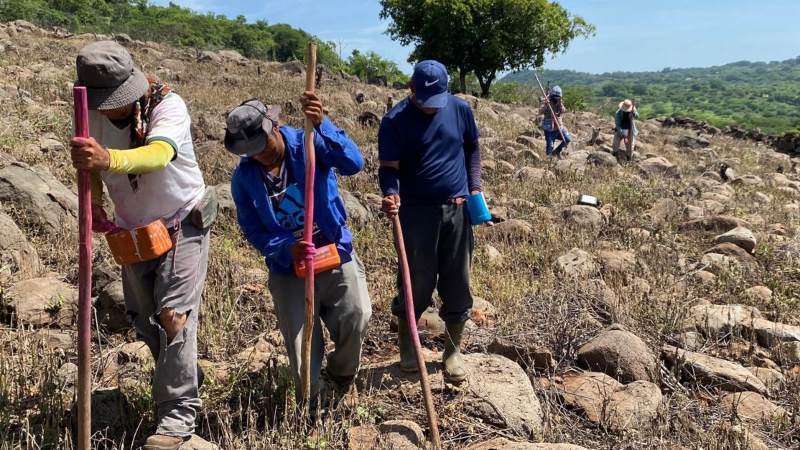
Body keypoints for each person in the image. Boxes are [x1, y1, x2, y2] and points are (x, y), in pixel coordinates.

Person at [70, 41, 211, 450]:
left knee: (173, 317)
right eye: (104, 102)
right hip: (134, 231)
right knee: (145, 321)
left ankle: (177, 417)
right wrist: (96, 201)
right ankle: (182, 373)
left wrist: (108, 160)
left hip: (183, 219)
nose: (110, 109)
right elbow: (89, 166)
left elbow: (159, 154)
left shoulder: (167, 106)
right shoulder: (87, 114)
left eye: (116, 100)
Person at [226, 97, 371, 410]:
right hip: (289, 266)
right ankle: (312, 400)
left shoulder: (307, 143)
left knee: (357, 315)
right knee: (300, 347)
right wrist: (286, 248)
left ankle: (342, 375)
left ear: (275, 127)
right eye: (251, 152)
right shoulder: (244, 178)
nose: (260, 156)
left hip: (332, 248)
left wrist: (322, 125)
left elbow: (354, 163)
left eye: (263, 146)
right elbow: (252, 229)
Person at [378, 60, 482, 383]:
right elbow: (388, 168)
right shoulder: (394, 120)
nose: (432, 108)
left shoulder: (460, 109)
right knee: (416, 281)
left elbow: (472, 147)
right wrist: (391, 193)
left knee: (458, 281)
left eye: (437, 100)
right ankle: (409, 347)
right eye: (425, 101)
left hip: (457, 209)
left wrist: (474, 186)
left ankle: (452, 350)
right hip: (415, 214)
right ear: (411, 89)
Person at [539, 85, 571, 158]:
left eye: (558, 97)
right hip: (549, 129)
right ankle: (549, 159)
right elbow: (540, 112)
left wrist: (560, 104)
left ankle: (557, 151)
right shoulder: (546, 101)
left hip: (559, 127)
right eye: (554, 97)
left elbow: (563, 111)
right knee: (550, 146)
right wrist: (546, 105)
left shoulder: (559, 102)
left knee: (567, 139)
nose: (555, 99)